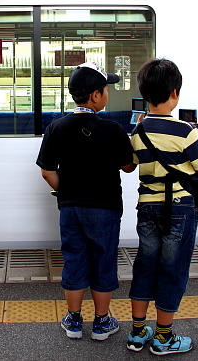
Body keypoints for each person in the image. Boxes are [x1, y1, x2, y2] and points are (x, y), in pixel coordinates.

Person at [125, 58, 198, 355]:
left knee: (145, 265)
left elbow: (129, 166)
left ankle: (138, 333)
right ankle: (164, 338)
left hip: (147, 208)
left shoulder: (138, 131)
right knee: (173, 269)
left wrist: (138, 132)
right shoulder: (185, 131)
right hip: (180, 209)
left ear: (145, 94)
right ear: (175, 93)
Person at [36, 62, 136, 341]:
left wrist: (65, 192)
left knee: (74, 259)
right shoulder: (113, 130)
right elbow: (128, 167)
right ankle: (102, 322)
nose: (107, 95)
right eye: (105, 90)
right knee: (103, 261)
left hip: (70, 208)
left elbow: (47, 171)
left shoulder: (56, 128)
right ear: (95, 95)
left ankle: (74, 320)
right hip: (105, 208)